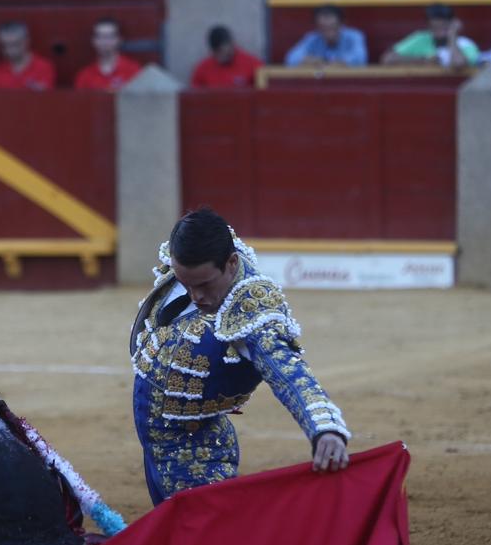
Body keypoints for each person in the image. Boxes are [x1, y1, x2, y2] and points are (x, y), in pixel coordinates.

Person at [130, 207, 351, 504]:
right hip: (159, 437)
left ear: (231, 264)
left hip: (195, 447)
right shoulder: (201, 251)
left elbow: (287, 371)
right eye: (186, 285)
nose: (196, 296)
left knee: (205, 537)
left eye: (205, 284)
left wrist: (325, 428)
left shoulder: (251, 312)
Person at [381, 3, 479, 68]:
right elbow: (387, 59)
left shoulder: (466, 44)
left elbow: (458, 64)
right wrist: (425, 60)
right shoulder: (421, 38)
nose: (439, 32)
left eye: (444, 27)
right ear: (429, 26)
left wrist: (452, 36)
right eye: (435, 28)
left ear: (453, 24)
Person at [283, 4, 368, 67]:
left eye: (332, 27)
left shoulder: (354, 36)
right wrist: (311, 61)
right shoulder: (313, 38)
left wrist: (338, 63)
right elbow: (291, 59)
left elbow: (360, 59)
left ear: (342, 24)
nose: (327, 32)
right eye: (323, 28)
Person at [0, 21, 56, 90]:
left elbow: (47, 99)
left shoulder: (44, 67)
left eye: (15, 44)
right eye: (5, 46)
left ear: (27, 41)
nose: (10, 50)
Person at [73, 18, 142, 91]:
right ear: (93, 41)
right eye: (100, 36)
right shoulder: (84, 75)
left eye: (109, 36)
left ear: (119, 40)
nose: (105, 41)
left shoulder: (134, 70)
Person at [190, 25, 263, 89]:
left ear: (231, 44)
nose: (221, 56)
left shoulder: (252, 64)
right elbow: (194, 97)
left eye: (223, 51)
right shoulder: (203, 68)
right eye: (217, 52)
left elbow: (263, 94)